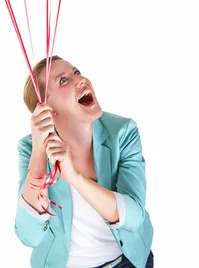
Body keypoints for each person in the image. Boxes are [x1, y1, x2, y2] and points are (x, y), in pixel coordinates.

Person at [14, 55, 154, 268]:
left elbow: (134, 218)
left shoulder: (123, 132)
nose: (81, 79)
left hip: (126, 261)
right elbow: (30, 236)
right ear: (47, 109)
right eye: (63, 80)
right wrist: (39, 152)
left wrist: (75, 178)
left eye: (76, 72)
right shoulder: (30, 149)